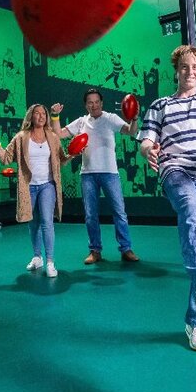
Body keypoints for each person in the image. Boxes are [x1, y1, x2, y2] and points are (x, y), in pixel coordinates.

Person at [137, 45, 196, 351]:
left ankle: (195, 319)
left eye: (195, 67)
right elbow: (147, 140)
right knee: (191, 212)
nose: (189, 71)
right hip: (175, 170)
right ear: (175, 71)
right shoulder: (160, 104)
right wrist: (149, 150)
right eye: (183, 67)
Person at [0, 104, 73, 278]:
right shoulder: (21, 137)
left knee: (47, 221)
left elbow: (61, 159)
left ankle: (51, 262)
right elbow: (5, 159)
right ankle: (37, 257)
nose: (41, 116)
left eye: (43, 114)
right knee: (33, 223)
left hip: (48, 185)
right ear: (30, 117)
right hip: (29, 186)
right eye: (36, 113)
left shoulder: (53, 137)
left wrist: (74, 153)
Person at [50, 89, 140, 264]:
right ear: (86, 105)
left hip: (110, 173)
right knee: (91, 215)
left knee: (119, 212)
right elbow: (58, 134)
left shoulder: (110, 118)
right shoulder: (82, 122)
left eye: (97, 101)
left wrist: (134, 118)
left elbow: (130, 131)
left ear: (102, 103)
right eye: (90, 102)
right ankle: (95, 251)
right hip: (88, 175)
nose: (94, 105)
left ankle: (126, 249)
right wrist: (54, 116)